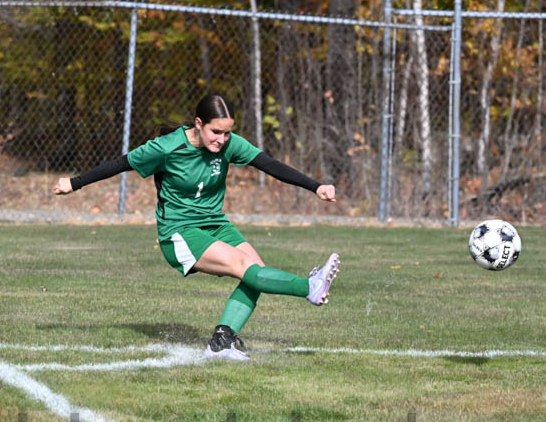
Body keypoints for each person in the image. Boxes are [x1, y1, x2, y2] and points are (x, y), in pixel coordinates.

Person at [53, 94, 339, 361]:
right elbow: (121, 163)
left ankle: (221, 343)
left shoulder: (229, 144)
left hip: (215, 223)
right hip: (179, 231)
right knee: (245, 266)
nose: (222, 139)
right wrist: (74, 183)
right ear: (199, 123)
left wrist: (315, 187)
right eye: (216, 132)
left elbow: (270, 165)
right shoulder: (167, 147)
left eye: (227, 133)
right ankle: (308, 286)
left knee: (257, 273)